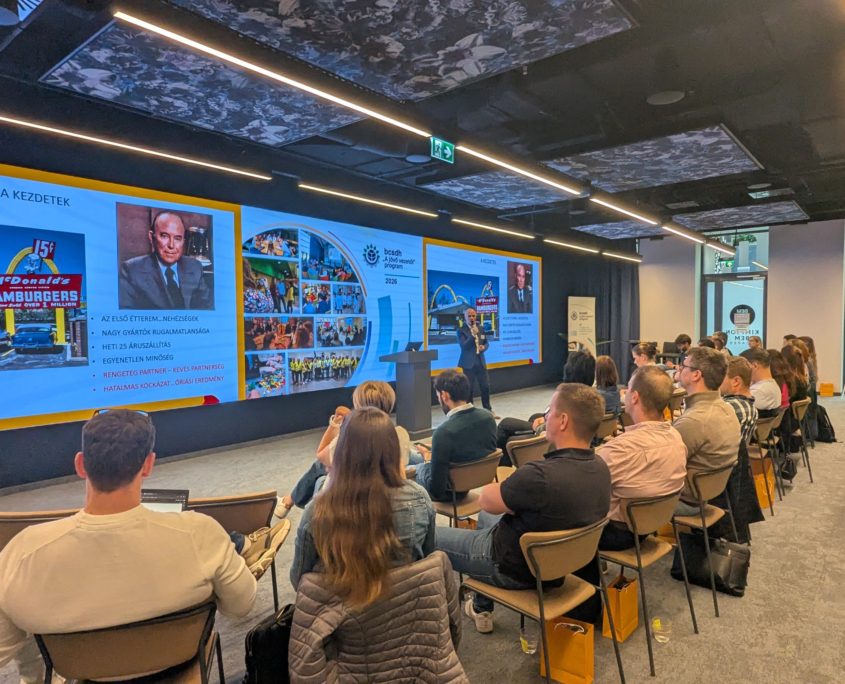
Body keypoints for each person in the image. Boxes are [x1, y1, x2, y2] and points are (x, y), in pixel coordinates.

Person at [0, 410, 257, 681]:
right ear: (148, 465)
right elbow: (241, 606)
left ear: (80, 464)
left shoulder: (21, 554)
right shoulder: (200, 534)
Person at [435, 384, 610, 633]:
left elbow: (486, 499)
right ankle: (482, 606)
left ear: (563, 421)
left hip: (510, 567)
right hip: (557, 565)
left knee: (429, 535)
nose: (545, 417)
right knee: (488, 516)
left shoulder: (539, 476)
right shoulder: (601, 468)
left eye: (549, 411)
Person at [289, 407, 435, 601]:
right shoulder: (419, 498)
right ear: (393, 450)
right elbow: (428, 559)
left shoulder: (316, 512)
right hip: (405, 608)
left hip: (340, 614)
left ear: (341, 451)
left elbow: (299, 580)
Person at [275, 381, 412, 518]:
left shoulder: (349, 439)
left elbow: (321, 455)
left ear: (358, 406)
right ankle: (288, 500)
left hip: (349, 499)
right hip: (387, 497)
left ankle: (289, 501)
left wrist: (336, 424)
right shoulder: (401, 435)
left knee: (320, 469)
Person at [596, 366, 687, 550]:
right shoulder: (677, 438)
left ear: (635, 397)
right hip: (653, 523)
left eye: (628, 389)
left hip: (618, 533)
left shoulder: (621, 449)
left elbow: (584, 485)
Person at [673, 346, 740, 514]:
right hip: (704, 496)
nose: (680, 369)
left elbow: (659, 466)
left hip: (682, 502)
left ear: (696, 374)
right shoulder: (727, 409)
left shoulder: (694, 421)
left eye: (684, 365)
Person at [413, 370, 497, 502]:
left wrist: (428, 460)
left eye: (438, 396)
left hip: (450, 493)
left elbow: (436, 490)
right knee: (414, 456)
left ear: (444, 395)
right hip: (473, 481)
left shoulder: (444, 433)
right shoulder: (488, 418)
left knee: (413, 468)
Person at [119, 211, 213, 310]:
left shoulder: (194, 267)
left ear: (183, 241)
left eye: (177, 238)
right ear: (151, 237)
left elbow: (207, 308)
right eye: (164, 236)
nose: (171, 245)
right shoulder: (132, 270)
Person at [715, 356, 763, 542]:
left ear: (736, 381)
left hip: (720, 479)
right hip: (733, 475)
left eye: (721, 378)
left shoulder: (729, 408)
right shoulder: (749, 406)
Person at [457, 308, 494, 413]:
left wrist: (484, 347)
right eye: (469, 316)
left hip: (480, 361)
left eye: (473, 316)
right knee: (469, 389)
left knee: (485, 387)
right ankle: (470, 412)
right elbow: (464, 346)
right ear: (465, 317)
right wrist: (473, 336)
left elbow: (486, 342)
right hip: (468, 364)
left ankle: (488, 410)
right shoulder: (461, 330)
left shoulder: (480, 328)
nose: (471, 318)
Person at [740, 347, 781, 416]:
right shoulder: (772, 385)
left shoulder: (758, 391)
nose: (741, 371)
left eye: (743, 367)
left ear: (754, 366)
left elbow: (736, 410)